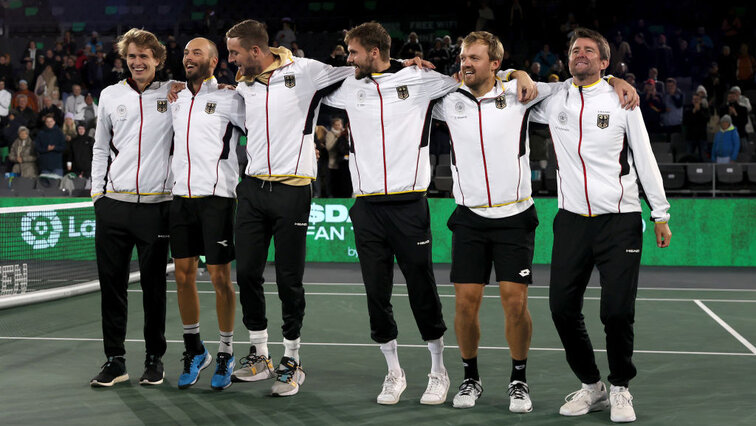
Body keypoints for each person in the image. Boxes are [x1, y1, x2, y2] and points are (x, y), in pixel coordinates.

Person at [434, 31, 637, 412]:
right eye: (464, 57)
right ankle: (470, 378)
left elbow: (579, 85)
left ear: (494, 63)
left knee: (515, 303)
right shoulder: (447, 99)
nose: (465, 63)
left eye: (475, 57)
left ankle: (518, 380)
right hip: (468, 217)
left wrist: (614, 79)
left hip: (515, 215)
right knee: (465, 303)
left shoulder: (520, 95)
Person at [529, 28, 671, 423]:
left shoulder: (622, 99)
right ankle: (593, 387)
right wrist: (518, 76)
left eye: (590, 51)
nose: (581, 54)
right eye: (575, 49)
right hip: (572, 220)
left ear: (605, 62)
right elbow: (510, 85)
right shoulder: (553, 98)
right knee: (560, 307)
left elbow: (644, 158)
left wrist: (659, 214)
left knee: (617, 312)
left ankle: (621, 387)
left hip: (620, 220)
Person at [321, 22, 459, 406]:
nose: (347, 59)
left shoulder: (419, 80)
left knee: (422, 287)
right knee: (376, 293)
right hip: (366, 207)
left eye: (353, 52)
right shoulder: (348, 85)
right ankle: (393, 372)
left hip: (408, 204)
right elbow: (309, 82)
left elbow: (468, 77)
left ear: (374, 52)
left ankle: (438, 370)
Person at [224, 18, 354, 397]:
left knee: (288, 279)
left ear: (255, 50)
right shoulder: (243, 85)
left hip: (293, 189)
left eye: (234, 52)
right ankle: (260, 355)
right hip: (251, 189)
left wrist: (405, 68)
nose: (230, 58)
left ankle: (292, 359)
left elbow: (357, 70)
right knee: (246, 272)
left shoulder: (306, 70)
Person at [89, 28, 174, 388]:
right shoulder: (110, 95)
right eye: (132, 56)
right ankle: (115, 360)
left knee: (154, 288)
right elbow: (99, 147)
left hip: (157, 207)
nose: (137, 62)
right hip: (114, 205)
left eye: (145, 56)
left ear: (157, 59)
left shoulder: (175, 94)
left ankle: (155, 359)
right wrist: (97, 194)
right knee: (112, 287)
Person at [169, 37, 245, 391]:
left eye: (196, 52)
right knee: (183, 276)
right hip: (180, 197)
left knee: (219, 278)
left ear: (213, 62)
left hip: (217, 197)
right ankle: (194, 349)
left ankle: (226, 351)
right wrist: (168, 86)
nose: (188, 57)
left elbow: (262, 130)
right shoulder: (175, 98)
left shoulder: (231, 98)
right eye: (186, 52)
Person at [324, 117, 351, 198]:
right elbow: (328, 147)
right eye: (336, 125)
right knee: (333, 180)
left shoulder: (344, 133)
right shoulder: (330, 134)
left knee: (343, 180)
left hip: (343, 162)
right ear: (333, 125)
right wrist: (337, 137)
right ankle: (332, 195)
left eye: (339, 124)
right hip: (333, 162)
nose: (338, 126)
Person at [683, 93, 710, 161]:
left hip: (702, 137)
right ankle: (688, 171)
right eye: (694, 99)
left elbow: (706, 120)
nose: (695, 101)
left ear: (700, 101)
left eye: (697, 100)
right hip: (690, 137)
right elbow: (685, 122)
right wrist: (693, 112)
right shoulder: (687, 110)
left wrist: (699, 111)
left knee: (703, 156)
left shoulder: (704, 109)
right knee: (689, 157)